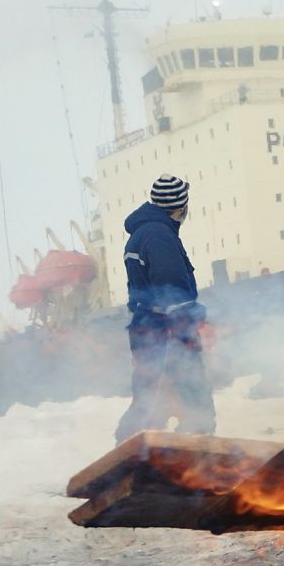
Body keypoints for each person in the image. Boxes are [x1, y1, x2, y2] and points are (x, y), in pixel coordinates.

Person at [114, 174, 215, 442]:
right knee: (191, 386)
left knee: (149, 388)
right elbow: (170, 285)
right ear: (180, 207)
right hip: (169, 326)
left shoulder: (140, 234)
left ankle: (130, 443)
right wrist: (192, 318)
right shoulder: (159, 236)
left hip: (146, 325)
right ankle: (198, 447)